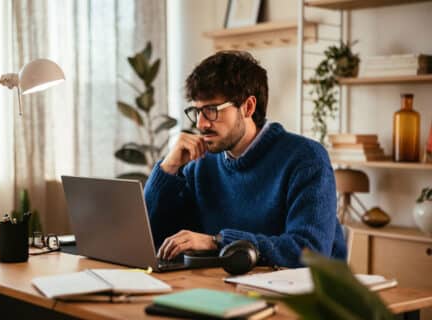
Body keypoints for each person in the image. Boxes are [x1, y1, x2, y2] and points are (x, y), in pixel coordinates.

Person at [144, 51, 347, 268]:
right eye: (197, 111)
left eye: (211, 110)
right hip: (223, 288)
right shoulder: (200, 165)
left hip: (302, 296)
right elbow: (153, 238)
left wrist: (218, 242)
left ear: (248, 107)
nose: (200, 124)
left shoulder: (307, 158)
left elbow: (309, 251)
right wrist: (168, 168)